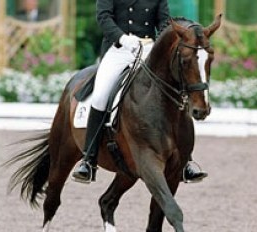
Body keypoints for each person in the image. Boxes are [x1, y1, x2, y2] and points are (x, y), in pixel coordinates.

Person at [72, 0, 208, 184]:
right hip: (118, 49)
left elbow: (164, 22)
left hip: (148, 49)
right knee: (101, 95)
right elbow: (104, 17)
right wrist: (122, 38)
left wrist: (159, 42)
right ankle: (89, 160)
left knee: (174, 93)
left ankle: (186, 161)